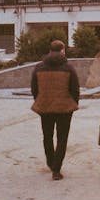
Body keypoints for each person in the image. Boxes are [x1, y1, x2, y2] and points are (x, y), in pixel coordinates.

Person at [31, 40, 80, 180]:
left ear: (50, 50)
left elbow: (34, 88)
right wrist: (73, 103)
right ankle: (56, 170)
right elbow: (75, 89)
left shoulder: (39, 67)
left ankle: (50, 162)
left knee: (47, 136)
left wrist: (39, 100)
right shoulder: (69, 68)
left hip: (45, 107)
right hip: (65, 108)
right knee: (62, 138)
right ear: (63, 50)